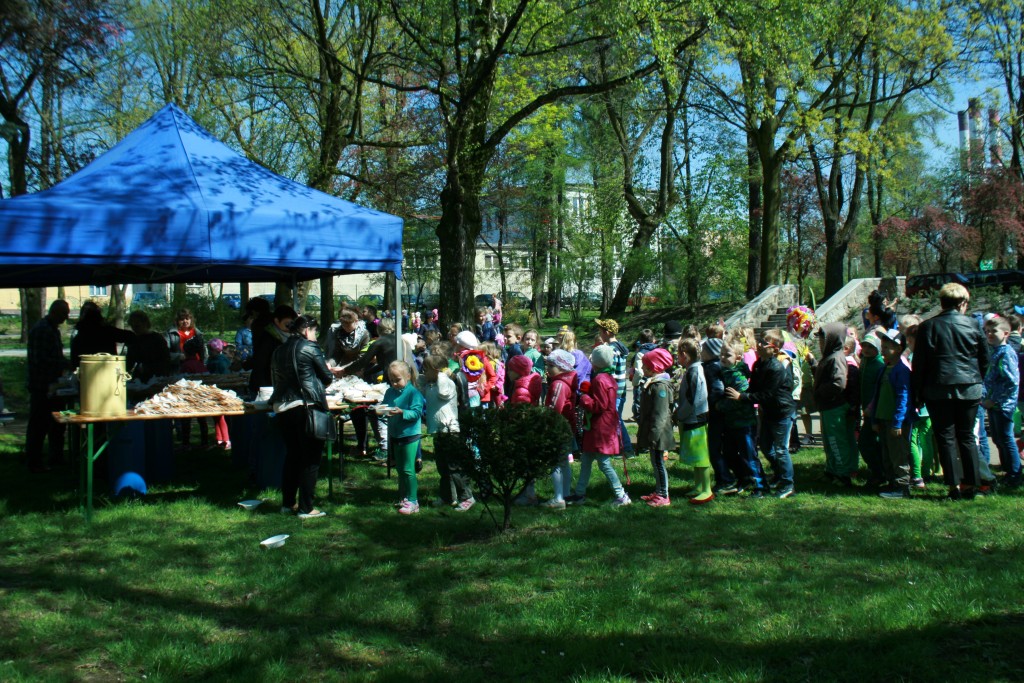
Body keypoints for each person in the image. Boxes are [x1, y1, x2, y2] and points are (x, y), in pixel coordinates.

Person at [911, 283, 988, 500]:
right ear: (962, 303)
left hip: (938, 388)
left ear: (942, 302)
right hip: (969, 387)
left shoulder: (929, 326)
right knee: (967, 437)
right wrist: (975, 379)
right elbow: (984, 359)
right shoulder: (974, 325)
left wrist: (917, 392)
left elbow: (920, 363)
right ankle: (971, 485)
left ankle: (953, 486)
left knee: (946, 437)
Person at [270, 315, 341, 518]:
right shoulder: (309, 347)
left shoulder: (279, 349)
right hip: (305, 406)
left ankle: (287, 504)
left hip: (282, 407)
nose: (316, 335)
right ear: (307, 329)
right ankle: (306, 507)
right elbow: (327, 378)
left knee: (293, 456)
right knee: (310, 458)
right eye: (315, 331)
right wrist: (325, 371)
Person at [724, 329, 796, 499]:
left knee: (781, 450)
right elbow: (754, 388)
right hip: (769, 412)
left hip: (782, 412)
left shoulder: (776, 368)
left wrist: (741, 396)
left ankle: (788, 484)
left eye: (765, 342)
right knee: (765, 447)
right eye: (761, 340)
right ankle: (779, 474)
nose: (760, 344)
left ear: (775, 349)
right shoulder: (758, 364)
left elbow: (767, 394)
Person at [565, 345, 630, 507]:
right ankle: (580, 494)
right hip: (599, 427)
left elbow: (599, 406)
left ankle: (621, 495)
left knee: (604, 463)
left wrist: (585, 398)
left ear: (595, 363)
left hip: (601, 428)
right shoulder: (607, 377)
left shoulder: (600, 380)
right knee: (586, 459)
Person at [417, 353, 474, 510]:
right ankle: (447, 495)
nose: (423, 372)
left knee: (454, 466)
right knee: (442, 466)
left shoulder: (446, 384)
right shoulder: (431, 385)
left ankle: (466, 496)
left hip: (450, 430)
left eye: (426, 369)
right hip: (438, 431)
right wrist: (427, 376)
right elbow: (420, 384)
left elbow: (443, 392)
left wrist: (442, 373)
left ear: (436, 371)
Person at [25, 299, 71, 473]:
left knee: (56, 424)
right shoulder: (43, 330)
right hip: (42, 385)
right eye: (64, 313)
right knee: (39, 425)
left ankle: (55, 457)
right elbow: (40, 360)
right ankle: (34, 461)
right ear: (55, 312)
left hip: (53, 384)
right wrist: (64, 364)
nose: (66, 317)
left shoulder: (52, 329)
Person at [344, 317, 399, 460]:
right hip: (403, 378)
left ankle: (385, 449)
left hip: (392, 381)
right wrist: (366, 373)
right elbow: (382, 364)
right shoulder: (399, 339)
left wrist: (345, 371)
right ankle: (391, 449)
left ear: (378, 330)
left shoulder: (380, 342)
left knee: (378, 413)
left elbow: (364, 360)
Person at [719, 342, 768, 498]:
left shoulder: (738, 377)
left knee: (749, 454)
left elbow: (737, 400)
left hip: (745, 423)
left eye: (727, 355)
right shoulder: (724, 372)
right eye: (721, 354)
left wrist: (718, 405)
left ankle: (760, 485)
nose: (723, 358)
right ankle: (744, 478)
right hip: (731, 423)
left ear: (738, 358)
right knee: (729, 453)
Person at [814, 322, 858, 486]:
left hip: (834, 406)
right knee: (829, 440)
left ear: (833, 340)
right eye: (820, 340)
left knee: (836, 441)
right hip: (828, 407)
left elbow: (839, 382)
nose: (820, 343)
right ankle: (831, 470)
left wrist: (821, 391)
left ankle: (843, 474)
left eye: (824, 340)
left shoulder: (836, 357)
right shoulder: (829, 357)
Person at [873, 329, 914, 499]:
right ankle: (891, 483)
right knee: (887, 454)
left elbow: (903, 398)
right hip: (883, 418)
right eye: (882, 346)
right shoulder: (885, 368)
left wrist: (898, 422)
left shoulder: (901, 370)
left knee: (898, 454)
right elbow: (878, 395)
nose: (882, 349)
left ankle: (902, 486)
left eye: (887, 347)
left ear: (898, 348)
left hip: (896, 421)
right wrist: (875, 418)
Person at [381, 360, 426, 515]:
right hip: (395, 433)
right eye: (391, 380)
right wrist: (380, 411)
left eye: (397, 379)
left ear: (407, 376)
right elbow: (385, 406)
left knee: (408, 468)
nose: (394, 383)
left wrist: (402, 412)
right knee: (400, 468)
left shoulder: (413, 393)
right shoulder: (389, 392)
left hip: (410, 434)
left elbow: (417, 413)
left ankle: (413, 501)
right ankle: (403, 496)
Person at [982, 316, 1021, 488]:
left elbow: (1011, 381)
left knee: (1006, 438)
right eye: (987, 331)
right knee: (998, 438)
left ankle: (1015, 474)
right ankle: (1007, 470)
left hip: (1003, 404)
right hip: (993, 404)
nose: (990, 334)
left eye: (994, 331)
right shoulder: (995, 351)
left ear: (1005, 333)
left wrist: (994, 399)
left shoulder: (1006, 353)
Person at [674, 338, 713, 504]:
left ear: (685, 355)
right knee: (696, 456)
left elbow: (692, 399)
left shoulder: (694, 372)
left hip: (695, 417)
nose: (677, 359)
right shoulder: (693, 370)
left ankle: (706, 489)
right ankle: (698, 486)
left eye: (678, 355)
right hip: (693, 416)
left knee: (701, 455)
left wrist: (679, 414)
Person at [636, 348, 676, 506]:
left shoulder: (660, 387)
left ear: (655, 368)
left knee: (659, 463)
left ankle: (664, 495)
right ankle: (658, 490)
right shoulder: (653, 383)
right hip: (654, 432)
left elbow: (661, 414)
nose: (643, 369)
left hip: (659, 433)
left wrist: (653, 435)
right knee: (655, 462)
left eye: (645, 366)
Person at [538, 349, 578, 510]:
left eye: (551, 365)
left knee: (555, 462)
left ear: (561, 367)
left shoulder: (559, 384)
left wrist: (546, 423)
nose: (547, 368)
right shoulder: (566, 381)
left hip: (558, 427)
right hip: (567, 426)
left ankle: (558, 497)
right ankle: (566, 494)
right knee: (563, 462)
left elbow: (555, 408)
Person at [595, 318, 634, 458]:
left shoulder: (611, 350)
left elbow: (609, 369)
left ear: (606, 332)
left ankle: (626, 449)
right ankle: (621, 448)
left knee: (616, 420)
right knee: (617, 419)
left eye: (600, 330)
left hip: (615, 391)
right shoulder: (620, 347)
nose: (599, 333)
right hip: (621, 389)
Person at [857, 333, 886, 486]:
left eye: (871, 346)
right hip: (866, 410)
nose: (866, 349)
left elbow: (879, 391)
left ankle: (879, 472)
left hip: (875, 411)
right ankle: (878, 471)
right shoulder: (865, 362)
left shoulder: (879, 365)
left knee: (866, 442)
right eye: (864, 346)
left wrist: (871, 408)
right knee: (872, 443)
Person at [249, 305, 298, 394]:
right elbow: (260, 362)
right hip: (266, 384)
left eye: (292, 324)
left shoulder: (290, 337)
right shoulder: (268, 338)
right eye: (287, 324)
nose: (290, 327)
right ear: (276, 321)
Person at [69, 301, 134, 368]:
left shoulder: (78, 336)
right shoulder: (107, 331)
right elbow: (130, 336)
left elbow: (74, 362)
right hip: (109, 370)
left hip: (85, 373)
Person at [125, 310, 172, 382]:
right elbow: (129, 362)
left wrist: (148, 367)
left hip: (157, 377)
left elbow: (166, 360)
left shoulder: (157, 338)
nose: (134, 328)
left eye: (137, 325)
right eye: (132, 325)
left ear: (145, 323)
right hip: (139, 379)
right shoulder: (133, 340)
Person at [630, 329, 657, 421]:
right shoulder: (658, 350)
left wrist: (635, 383)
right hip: (655, 380)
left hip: (643, 382)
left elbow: (639, 372)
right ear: (653, 339)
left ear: (640, 341)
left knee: (640, 402)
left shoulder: (640, 353)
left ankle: (638, 417)